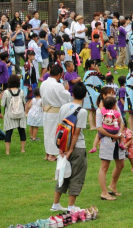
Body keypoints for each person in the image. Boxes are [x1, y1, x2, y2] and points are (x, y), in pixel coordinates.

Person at [51, 82, 88, 213]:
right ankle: (71, 206)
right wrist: (71, 148)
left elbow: (59, 127)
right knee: (77, 175)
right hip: (77, 146)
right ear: (84, 95)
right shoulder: (82, 111)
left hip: (63, 144)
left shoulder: (64, 107)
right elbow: (77, 132)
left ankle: (56, 203)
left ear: (72, 94)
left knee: (64, 173)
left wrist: (61, 147)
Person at [96, 93, 126, 200]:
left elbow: (122, 122)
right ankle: (104, 192)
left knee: (121, 164)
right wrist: (112, 135)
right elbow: (99, 127)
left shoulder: (116, 110)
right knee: (104, 166)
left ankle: (112, 185)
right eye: (110, 93)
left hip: (117, 140)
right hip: (106, 140)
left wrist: (118, 135)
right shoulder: (100, 112)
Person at [41, 65, 72, 162]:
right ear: (59, 75)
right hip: (54, 111)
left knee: (47, 132)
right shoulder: (57, 85)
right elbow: (65, 98)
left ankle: (48, 153)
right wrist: (66, 90)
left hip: (46, 111)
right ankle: (51, 155)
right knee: (53, 132)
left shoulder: (43, 83)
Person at [1, 74, 30, 155]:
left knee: (8, 133)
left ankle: (7, 151)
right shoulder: (21, 91)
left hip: (9, 115)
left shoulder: (6, 92)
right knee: (22, 132)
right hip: (20, 114)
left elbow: (3, 104)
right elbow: (24, 102)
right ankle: (23, 149)